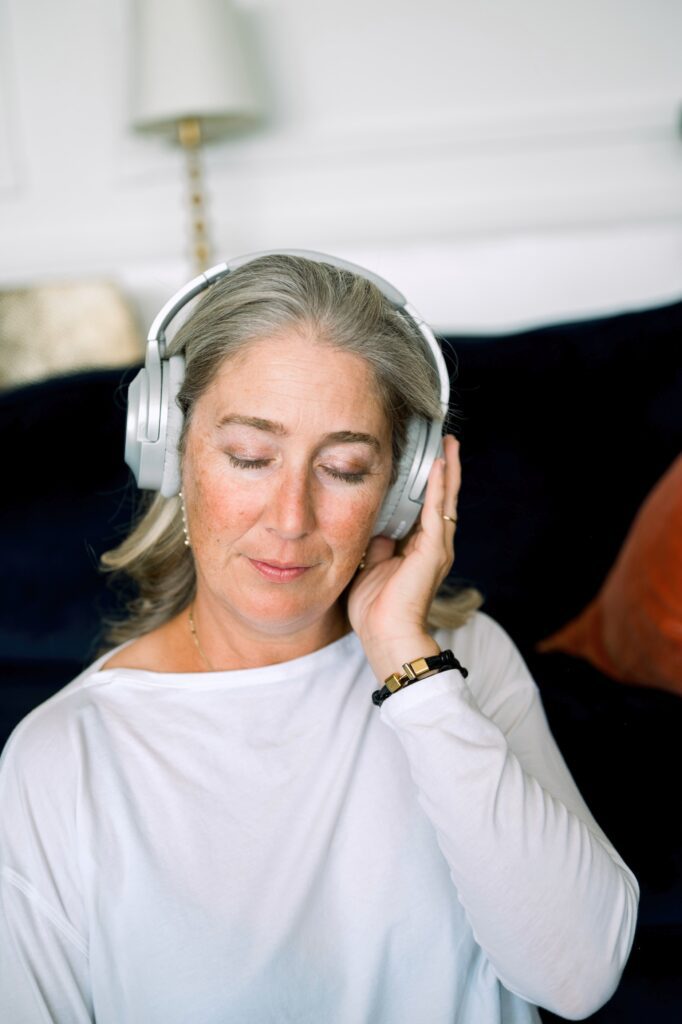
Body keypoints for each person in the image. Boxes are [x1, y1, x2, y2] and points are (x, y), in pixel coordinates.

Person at [0, 253, 637, 1023]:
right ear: (167, 451)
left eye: (343, 468)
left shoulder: (460, 658)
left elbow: (576, 978)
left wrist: (411, 666)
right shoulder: (63, 759)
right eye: (249, 457)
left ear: (404, 489)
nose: (291, 517)